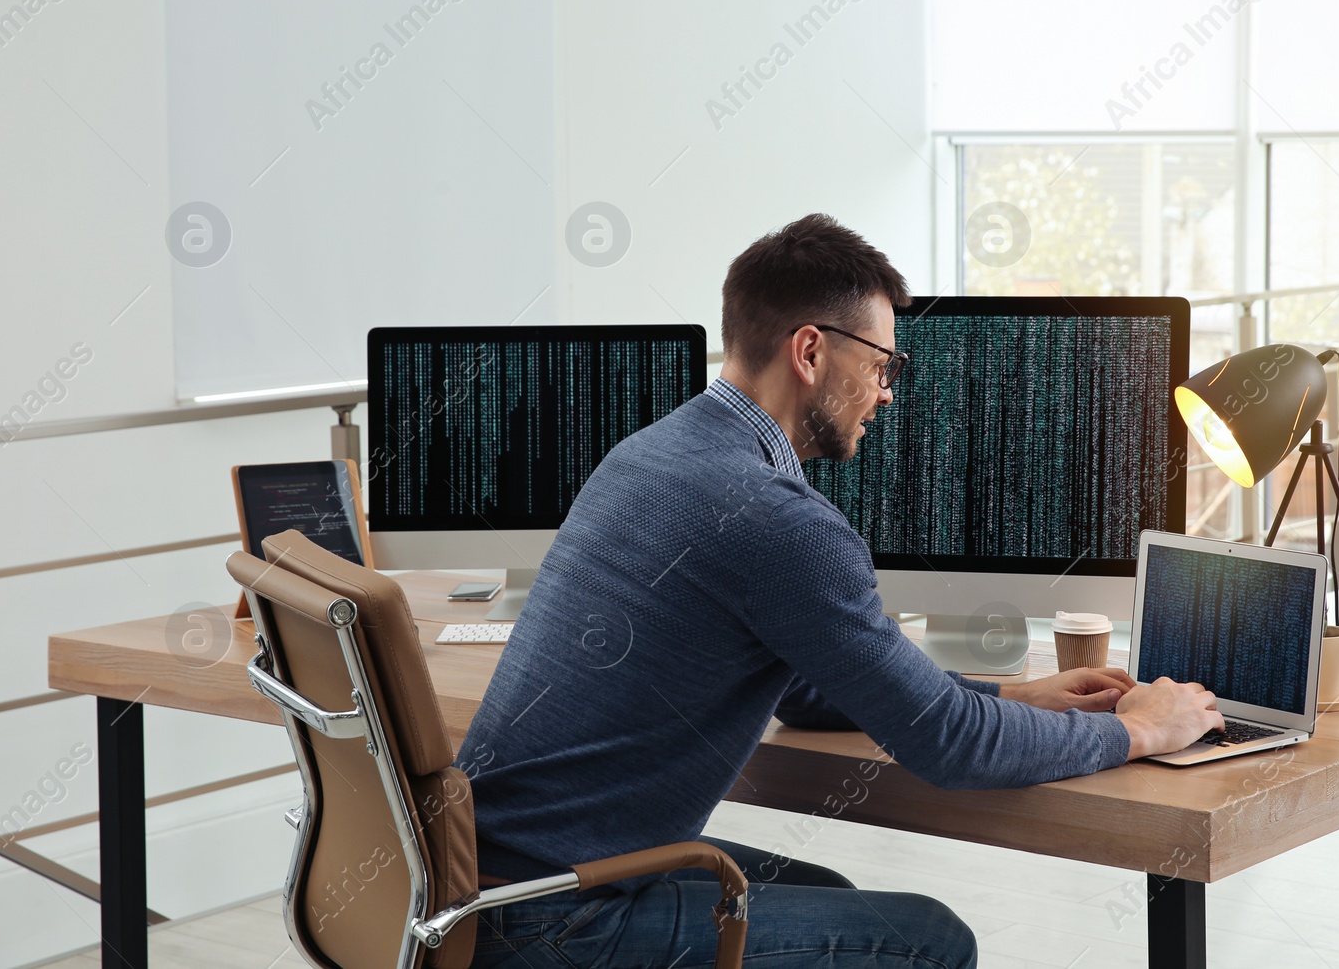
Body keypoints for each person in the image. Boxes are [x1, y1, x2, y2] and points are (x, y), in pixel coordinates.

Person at [461, 213, 1223, 969]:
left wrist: (1015, 698)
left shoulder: (650, 453)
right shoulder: (776, 518)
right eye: (882, 365)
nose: (886, 393)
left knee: (829, 891)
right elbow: (948, 747)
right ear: (811, 350)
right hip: (556, 918)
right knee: (933, 939)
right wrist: (1140, 731)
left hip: (475, 882)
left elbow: (805, 692)